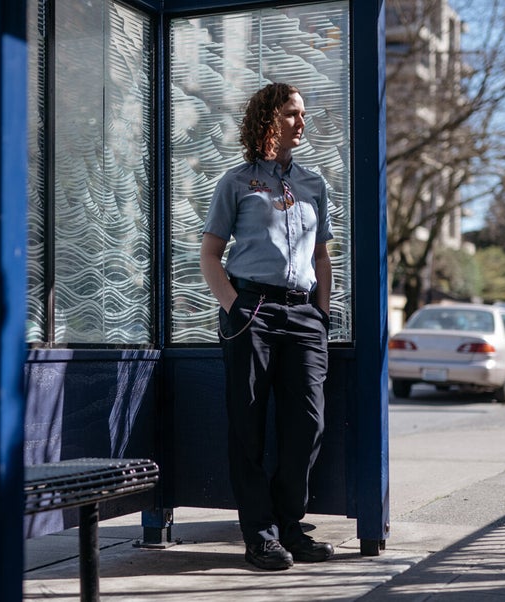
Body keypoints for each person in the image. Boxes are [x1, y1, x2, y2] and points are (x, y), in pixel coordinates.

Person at [200, 82, 335, 571]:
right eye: (293, 114)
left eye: (303, 114)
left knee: (309, 423)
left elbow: (321, 256)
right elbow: (210, 256)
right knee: (248, 425)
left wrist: (321, 313)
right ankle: (259, 534)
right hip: (251, 311)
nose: (303, 123)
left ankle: (290, 525)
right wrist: (235, 306)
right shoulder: (235, 182)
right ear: (268, 119)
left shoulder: (315, 184)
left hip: (303, 316)